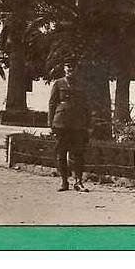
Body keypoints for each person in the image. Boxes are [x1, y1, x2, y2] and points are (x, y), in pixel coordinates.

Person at [48, 62, 90, 192]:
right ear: (64, 70)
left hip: (78, 124)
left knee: (78, 153)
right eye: (68, 68)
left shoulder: (82, 85)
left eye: (72, 68)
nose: (70, 70)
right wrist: (51, 123)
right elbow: (52, 104)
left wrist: (87, 124)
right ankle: (64, 182)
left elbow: (86, 106)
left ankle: (78, 181)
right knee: (61, 153)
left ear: (76, 70)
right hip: (61, 123)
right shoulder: (58, 83)